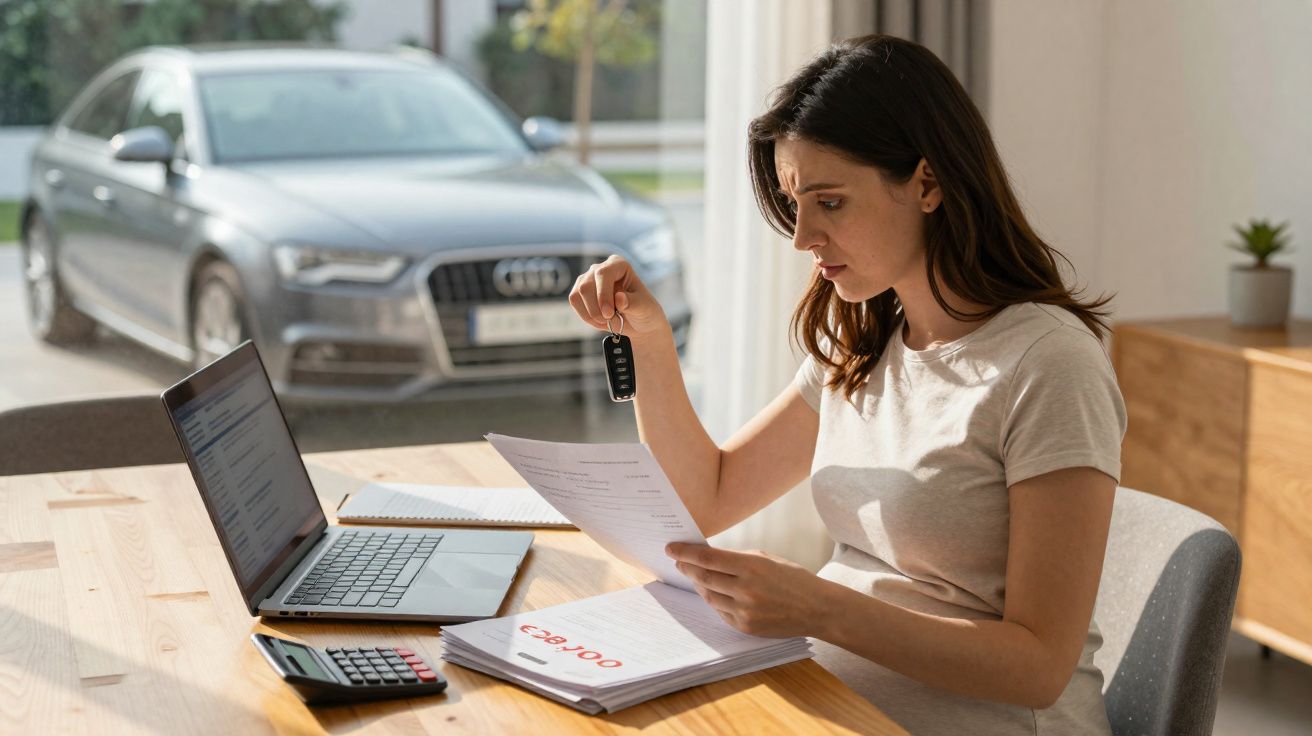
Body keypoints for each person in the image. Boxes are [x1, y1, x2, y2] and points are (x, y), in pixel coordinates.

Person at [567, 34, 1125, 736]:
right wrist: (648, 339)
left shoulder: (1049, 366)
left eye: (829, 202)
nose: (802, 237)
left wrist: (817, 607)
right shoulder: (862, 346)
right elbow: (703, 496)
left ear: (928, 183)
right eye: (796, 202)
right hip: (835, 709)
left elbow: (1039, 666)